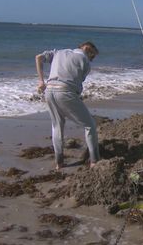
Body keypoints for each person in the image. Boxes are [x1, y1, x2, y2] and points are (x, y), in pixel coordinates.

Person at [35, 41, 100, 170]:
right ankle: (95, 161)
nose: (91, 60)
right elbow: (76, 86)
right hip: (65, 91)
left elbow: (38, 58)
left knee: (57, 125)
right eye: (92, 56)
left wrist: (41, 81)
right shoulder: (84, 61)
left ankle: (59, 162)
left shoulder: (58, 52)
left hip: (49, 90)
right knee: (90, 125)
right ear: (87, 49)